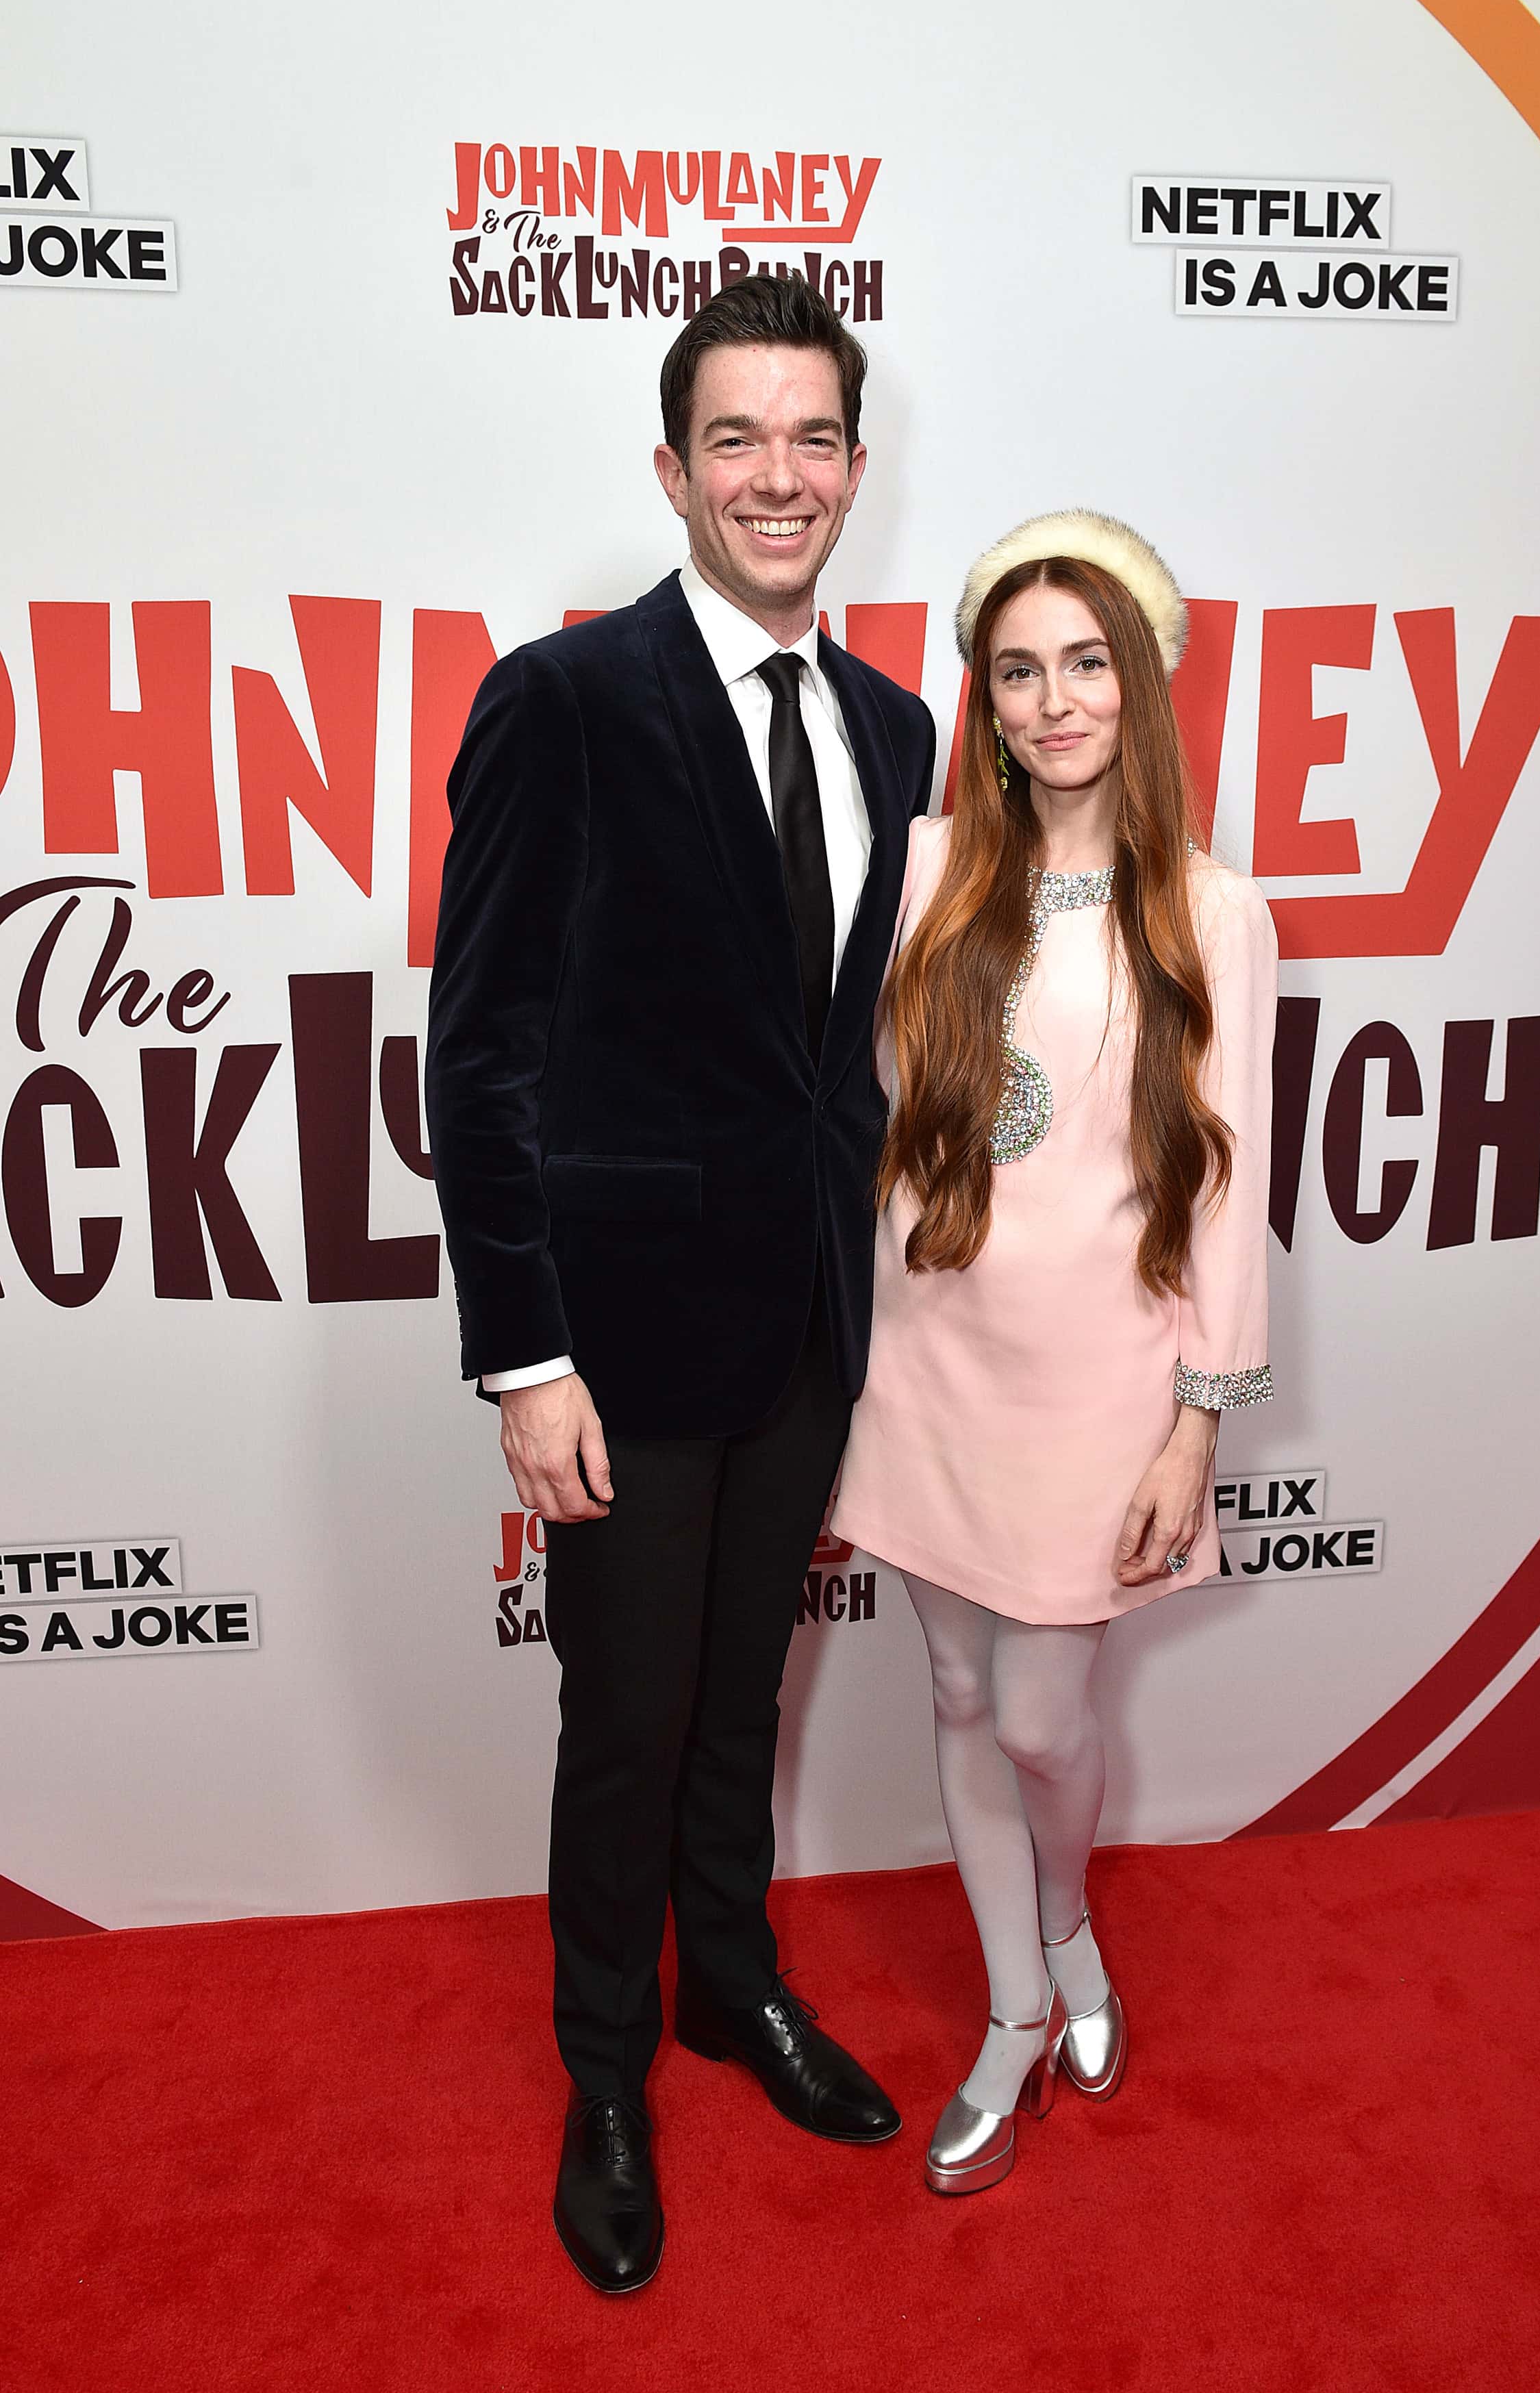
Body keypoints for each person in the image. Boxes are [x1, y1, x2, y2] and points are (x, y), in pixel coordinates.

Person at [425, 275, 936, 2291]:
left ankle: (730, 1985)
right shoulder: (563, 702)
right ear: (671, 468)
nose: (776, 477)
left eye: (811, 439)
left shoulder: (895, 727)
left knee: (746, 1704)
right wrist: (523, 1354)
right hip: (615, 1346)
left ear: (855, 472)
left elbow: (846, 1046)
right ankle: (609, 2072)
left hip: (806, 1320)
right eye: (736, 439)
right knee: (624, 1723)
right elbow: (480, 1056)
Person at [829, 509, 1277, 2194]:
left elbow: (1227, 1182)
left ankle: (1069, 1920)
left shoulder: (1214, 911)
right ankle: (1016, 2009)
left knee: (1035, 1718)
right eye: (1016, 670)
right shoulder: (931, 866)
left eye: (1084, 662)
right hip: (926, 1356)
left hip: (1103, 1381)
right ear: (985, 698)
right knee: (952, 1688)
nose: (1050, 699)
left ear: (1140, 681)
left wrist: (1196, 1427)